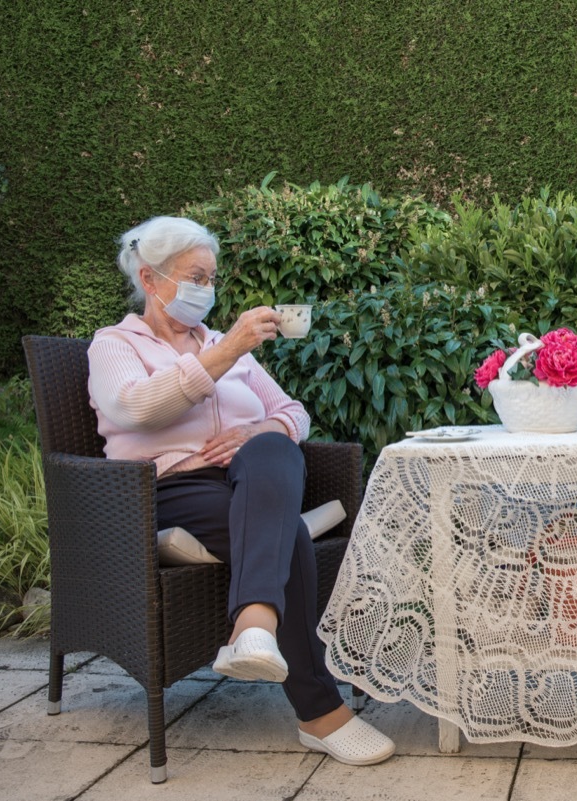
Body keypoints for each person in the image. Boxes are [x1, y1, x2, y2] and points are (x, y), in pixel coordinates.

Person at [87, 216, 396, 766]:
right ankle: (321, 714)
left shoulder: (223, 346)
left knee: (274, 447)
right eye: (194, 276)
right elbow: (133, 407)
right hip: (173, 487)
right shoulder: (115, 344)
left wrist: (260, 429)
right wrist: (225, 351)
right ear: (151, 279)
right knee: (285, 536)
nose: (206, 289)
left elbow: (292, 413)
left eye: (210, 277)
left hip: (255, 480)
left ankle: (254, 624)